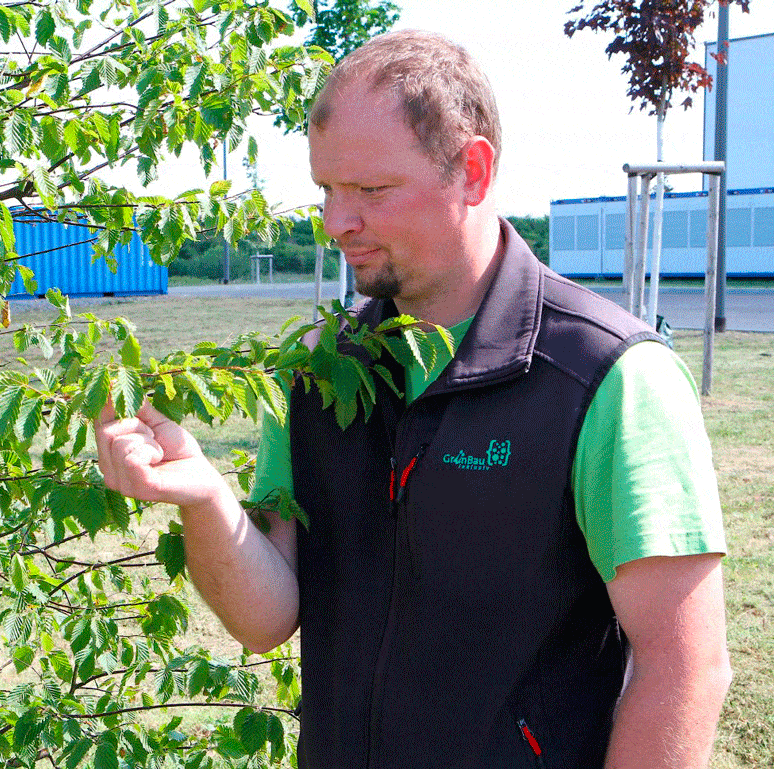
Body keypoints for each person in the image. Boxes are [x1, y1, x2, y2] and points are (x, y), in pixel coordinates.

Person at [95, 29, 731, 769]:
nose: (337, 224)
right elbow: (265, 620)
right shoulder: (315, 373)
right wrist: (204, 499)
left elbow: (683, 667)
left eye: (370, 190)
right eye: (327, 190)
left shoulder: (608, 379)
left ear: (472, 169)